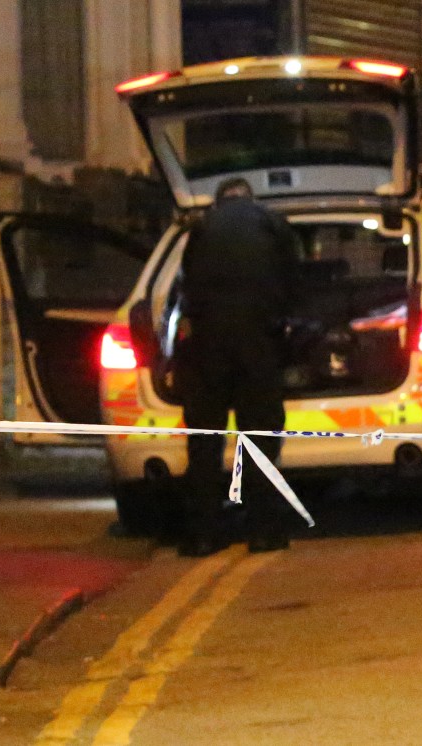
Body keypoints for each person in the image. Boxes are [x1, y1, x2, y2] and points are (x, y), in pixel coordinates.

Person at [175, 176, 300, 557]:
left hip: (208, 347)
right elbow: (294, 283)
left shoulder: (200, 229)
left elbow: (186, 286)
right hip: (257, 344)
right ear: (249, 197)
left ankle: (204, 535)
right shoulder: (273, 223)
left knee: (205, 442)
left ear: (219, 201)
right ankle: (263, 532)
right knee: (260, 437)